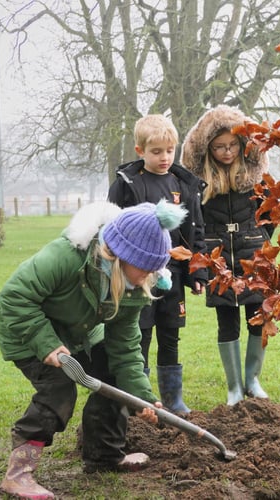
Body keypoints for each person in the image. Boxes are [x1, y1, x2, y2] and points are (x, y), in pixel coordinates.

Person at [0, 200, 187, 499]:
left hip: (76, 333)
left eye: (155, 267)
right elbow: (13, 299)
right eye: (146, 266)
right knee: (59, 387)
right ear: (123, 254)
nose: (150, 275)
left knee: (112, 373)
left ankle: (104, 456)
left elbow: (124, 349)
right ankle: (18, 473)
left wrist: (143, 398)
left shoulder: (134, 287)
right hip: (26, 330)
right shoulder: (66, 256)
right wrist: (46, 344)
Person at [108, 114, 208, 415]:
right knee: (140, 334)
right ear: (140, 151)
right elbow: (112, 227)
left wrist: (197, 271)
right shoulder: (127, 184)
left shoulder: (184, 184)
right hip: (138, 275)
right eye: (156, 152)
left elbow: (196, 232)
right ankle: (140, 399)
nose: (164, 157)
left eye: (169, 151)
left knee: (170, 334)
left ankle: (173, 400)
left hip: (174, 275)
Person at [181, 105, 275, 406]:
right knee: (228, 321)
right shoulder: (201, 184)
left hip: (252, 254)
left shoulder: (254, 176)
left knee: (257, 317)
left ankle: (252, 380)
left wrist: (257, 240)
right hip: (217, 255)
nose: (227, 152)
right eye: (219, 147)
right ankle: (234, 387)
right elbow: (193, 219)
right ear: (208, 148)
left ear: (242, 144)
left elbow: (270, 214)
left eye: (232, 145)